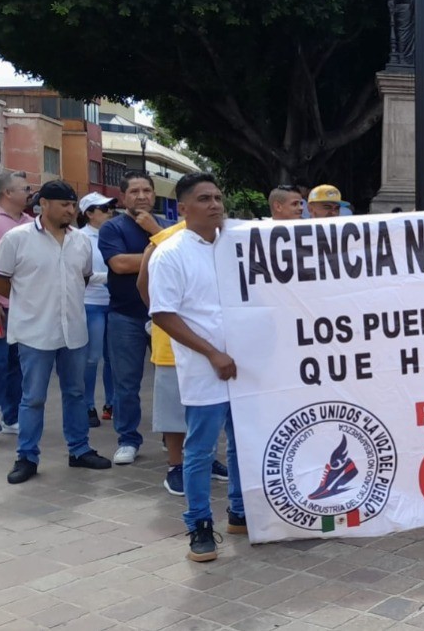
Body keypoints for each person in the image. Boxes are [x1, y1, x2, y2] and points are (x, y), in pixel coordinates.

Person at [148, 173, 245, 562]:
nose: (215, 205)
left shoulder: (234, 244)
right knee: (201, 450)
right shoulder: (171, 254)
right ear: (183, 209)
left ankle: (238, 511)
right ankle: (199, 524)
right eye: (205, 199)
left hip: (243, 365)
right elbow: (163, 314)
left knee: (242, 444)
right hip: (204, 367)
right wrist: (212, 354)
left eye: (219, 197)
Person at [0, 181, 114, 483]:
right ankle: (27, 457)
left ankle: (80, 450)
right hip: (35, 331)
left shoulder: (80, 241)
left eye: (73, 205)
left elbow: (81, 278)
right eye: (64, 205)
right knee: (32, 397)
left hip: (73, 329)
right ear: (44, 204)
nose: (71, 211)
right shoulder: (17, 239)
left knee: (75, 392)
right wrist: (29, 301)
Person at [98, 170, 173, 463]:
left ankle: (173, 436)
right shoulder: (112, 228)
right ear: (123, 196)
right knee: (126, 383)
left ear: (154, 194)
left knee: (170, 380)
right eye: (135, 191)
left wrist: (157, 231)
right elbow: (118, 264)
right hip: (125, 316)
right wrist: (165, 251)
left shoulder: (166, 225)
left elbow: (184, 261)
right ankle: (128, 439)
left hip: (166, 318)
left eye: (147, 191)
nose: (141, 196)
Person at [0, 171, 31, 447]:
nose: (29, 192)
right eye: (24, 188)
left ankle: (12, 417)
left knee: (18, 365)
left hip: (24, 308)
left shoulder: (29, 222)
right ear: (8, 193)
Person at [78, 192, 117, 428]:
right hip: (91, 303)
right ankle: (87, 405)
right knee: (92, 358)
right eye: (103, 209)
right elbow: (83, 275)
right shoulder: (80, 238)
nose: (109, 212)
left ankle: (111, 403)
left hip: (114, 302)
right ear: (89, 214)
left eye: (109, 207)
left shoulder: (114, 234)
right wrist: (114, 275)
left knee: (113, 358)